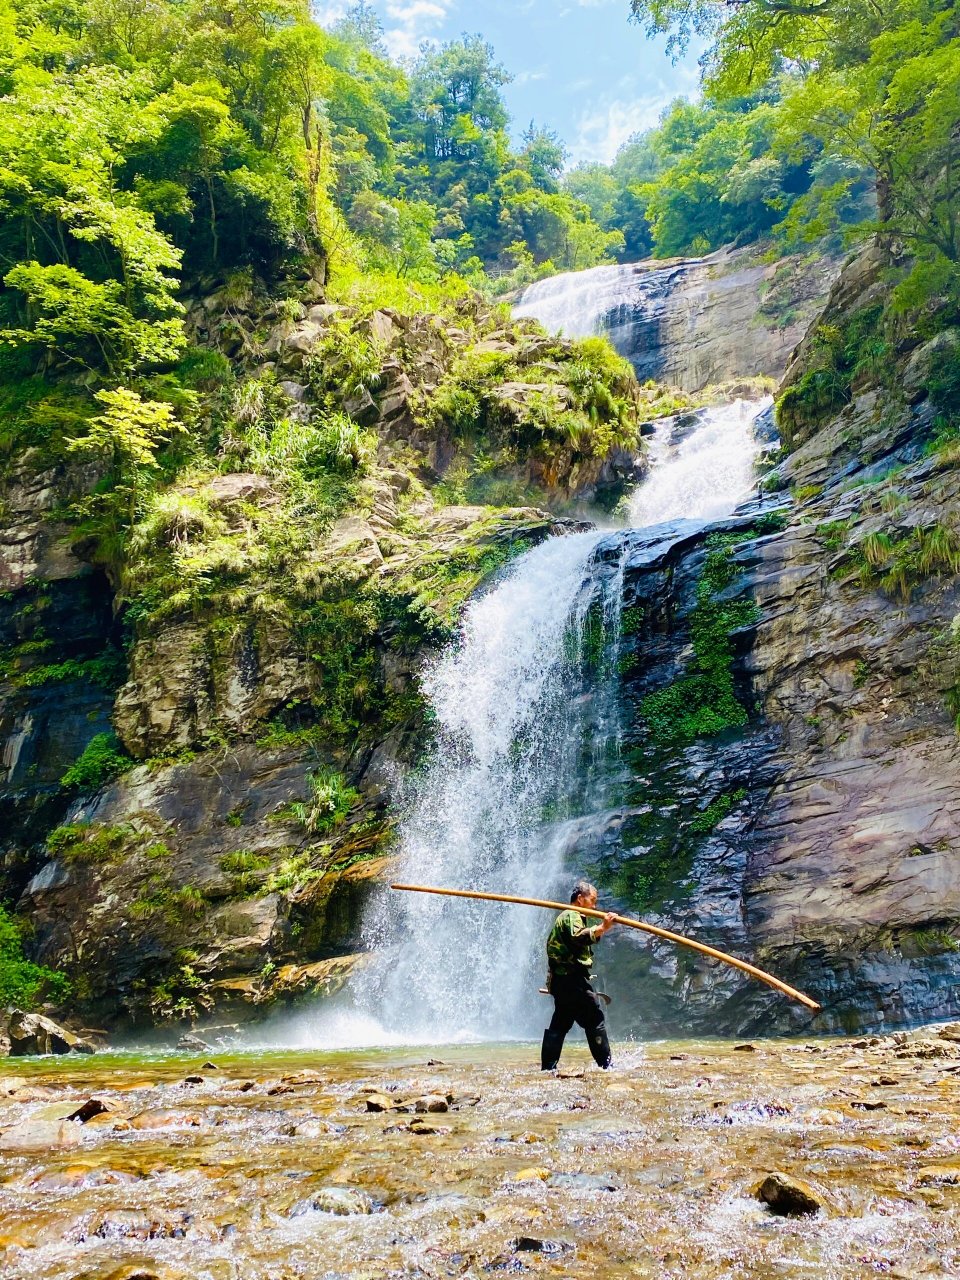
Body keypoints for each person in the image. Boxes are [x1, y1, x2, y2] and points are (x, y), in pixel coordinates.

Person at [541, 879, 617, 1071]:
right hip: (570, 979)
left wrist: (600, 929)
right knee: (593, 1017)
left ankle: (548, 1069)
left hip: (561, 981)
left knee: (561, 1021)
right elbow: (578, 937)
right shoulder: (571, 914)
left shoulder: (570, 916)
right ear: (580, 899)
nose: (595, 905)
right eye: (592, 900)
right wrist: (602, 928)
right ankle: (606, 1066)